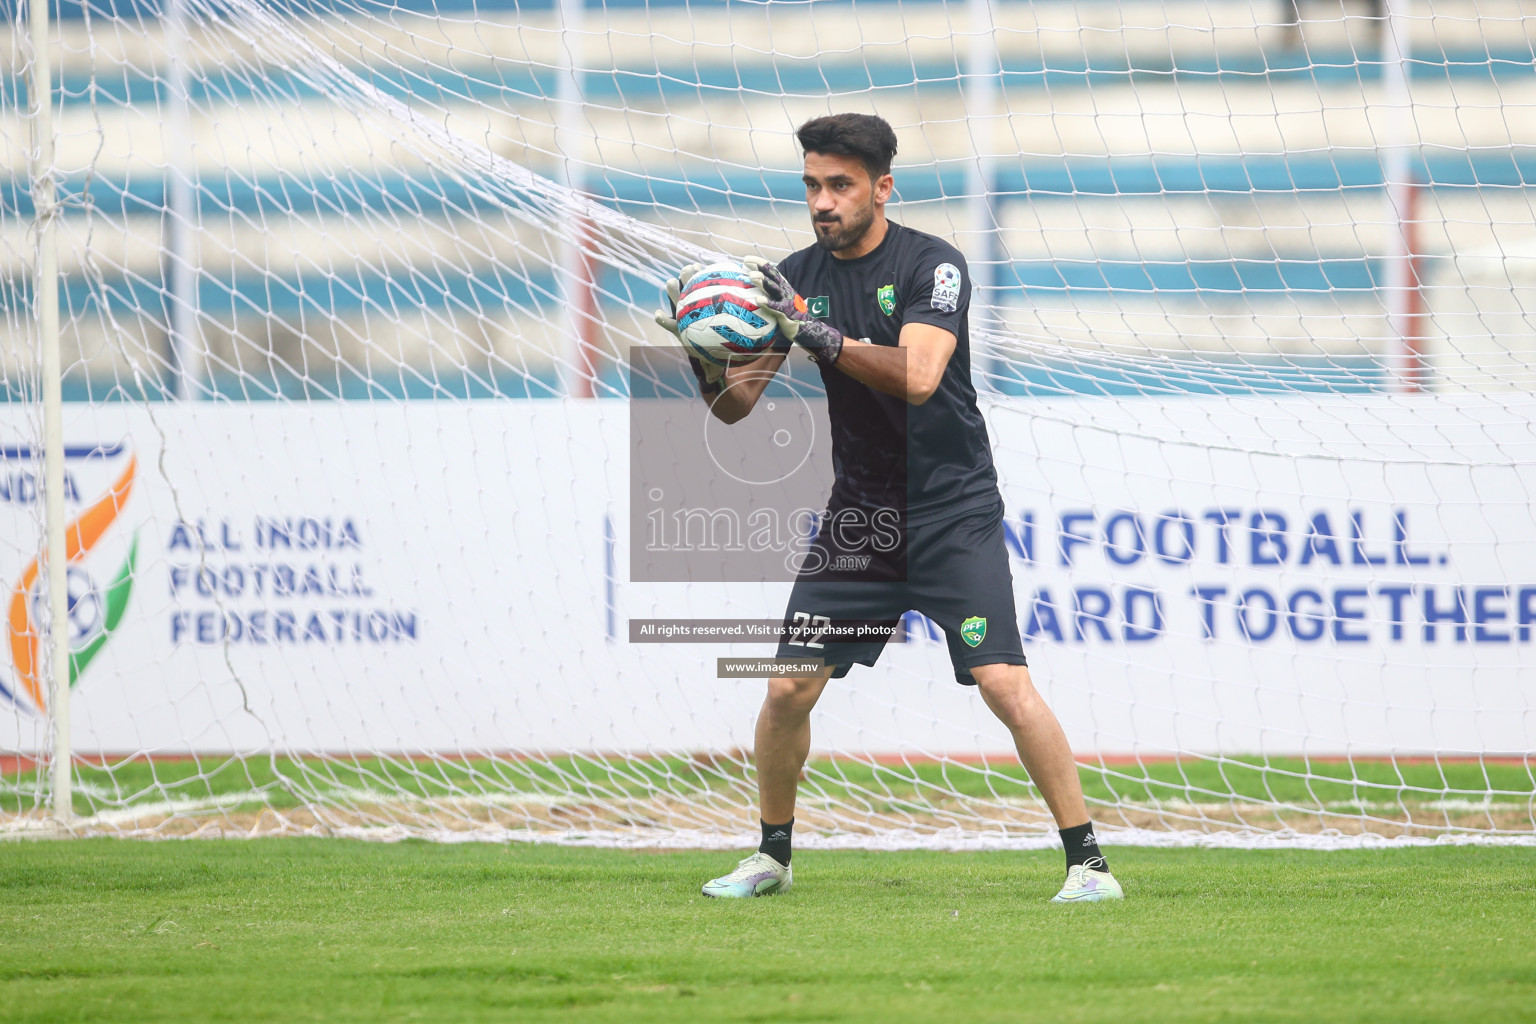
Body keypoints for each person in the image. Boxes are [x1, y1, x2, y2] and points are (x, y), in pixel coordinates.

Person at [655, 113, 1123, 903]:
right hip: (860, 518)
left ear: (881, 187)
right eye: (812, 185)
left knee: (1005, 685)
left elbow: (918, 377)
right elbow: (738, 407)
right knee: (786, 690)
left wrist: (814, 332)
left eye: (839, 185)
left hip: (951, 511)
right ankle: (772, 857)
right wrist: (706, 358)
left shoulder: (932, 265)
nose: (823, 202)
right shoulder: (794, 278)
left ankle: (1089, 865)